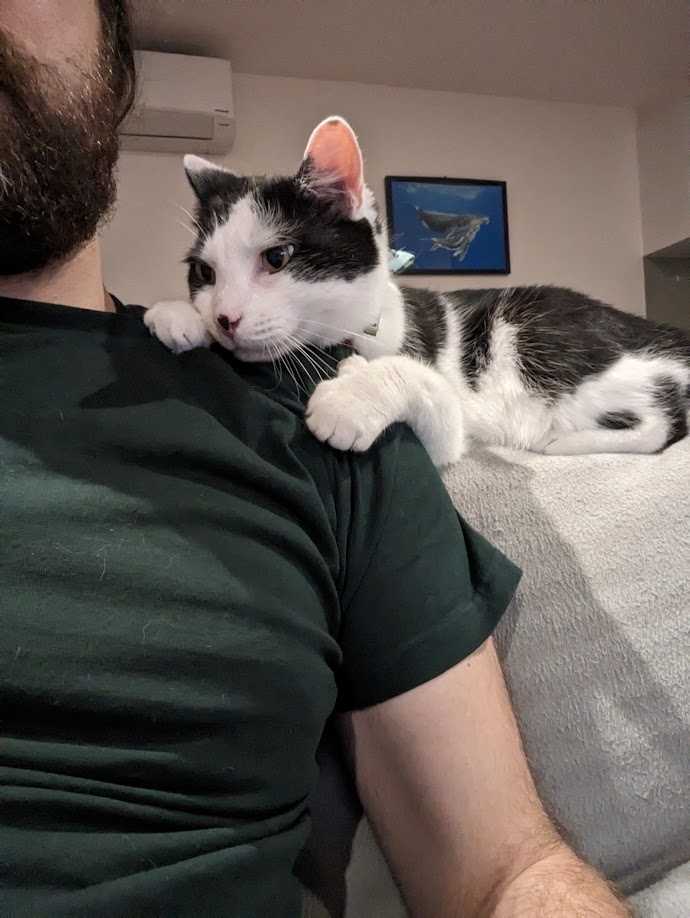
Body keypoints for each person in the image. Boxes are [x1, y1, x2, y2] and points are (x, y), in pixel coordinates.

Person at [0, 2, 631, 916]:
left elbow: (507, 872)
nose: (226, 308)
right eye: (210, 274)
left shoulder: (330, 416)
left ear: (115, 45)